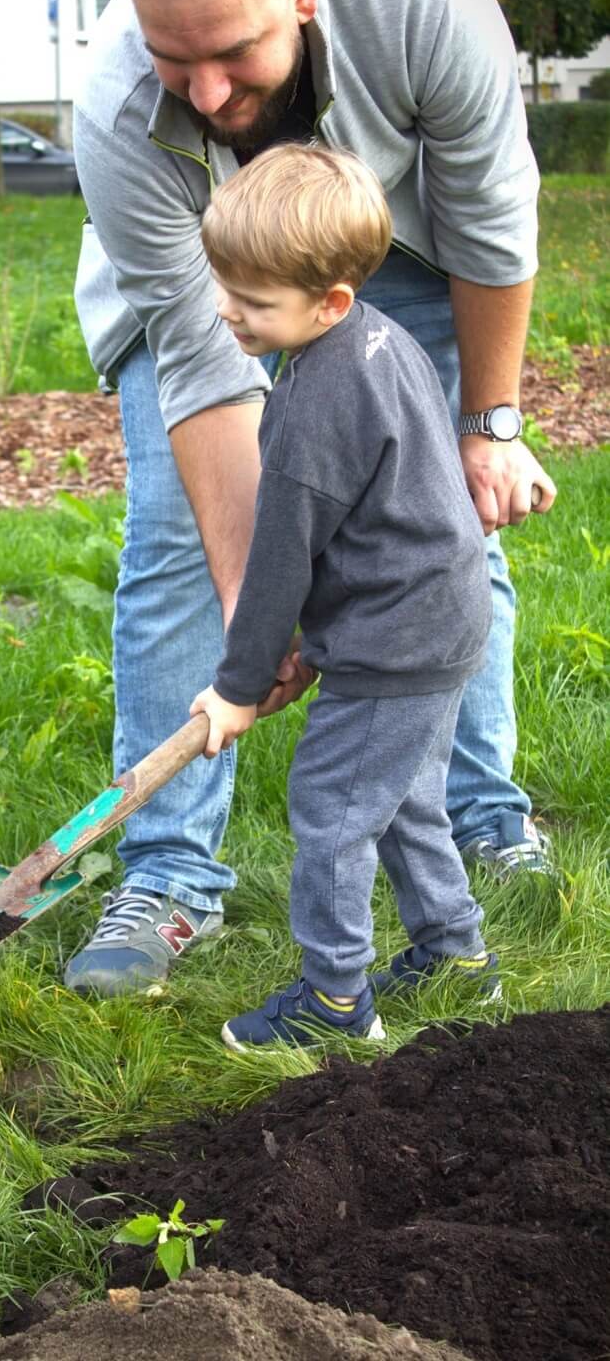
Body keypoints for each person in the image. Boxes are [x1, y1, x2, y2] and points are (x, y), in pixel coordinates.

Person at [65, 0, 557, 999]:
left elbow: (488, 221)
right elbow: (204, 358)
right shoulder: (115, 106)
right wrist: (258, 634)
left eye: (230, 54)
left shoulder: (421, 8)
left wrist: (488, 427)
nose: (202, 93)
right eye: (173, 59)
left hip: (400, 247)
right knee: (173, 536)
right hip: (200, 271)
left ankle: (482, 819)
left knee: (446, 529)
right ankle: (165, 874)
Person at [189, 143, 499, 1047]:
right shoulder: (380, 338)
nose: (226, 311)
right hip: (441, 618)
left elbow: (281, 559)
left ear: (327, 300)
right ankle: (453, 949)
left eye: (252, 302)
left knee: (330, 811)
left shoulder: (311, 404)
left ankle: (332, 1000)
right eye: (224, 287)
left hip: (395, 638)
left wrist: (241, 684)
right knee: (400, 798)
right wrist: (304, 647)